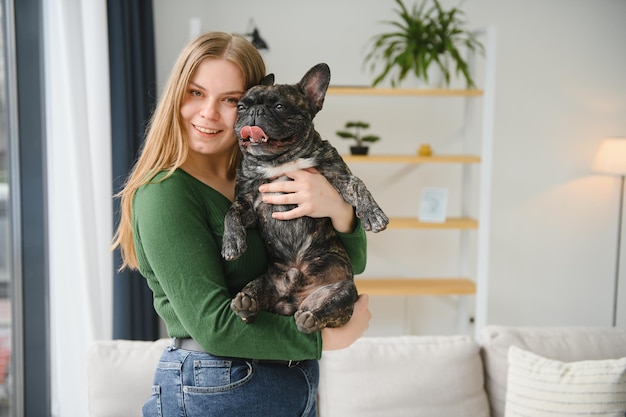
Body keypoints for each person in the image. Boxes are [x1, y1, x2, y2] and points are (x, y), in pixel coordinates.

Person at [111, 31, 371, 417]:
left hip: (283, 382)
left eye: (230, 99)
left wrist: (339, 208)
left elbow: (349, 263)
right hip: (215, 385)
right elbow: (213, 326)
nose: (208, 113)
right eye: (195, 93)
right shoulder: (165, 193)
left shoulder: (258, 177)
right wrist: (326, 342)